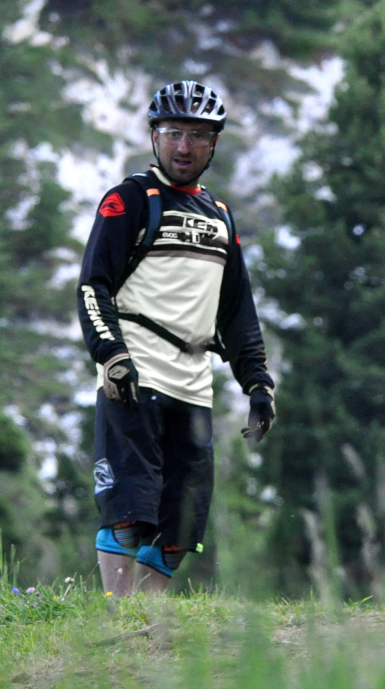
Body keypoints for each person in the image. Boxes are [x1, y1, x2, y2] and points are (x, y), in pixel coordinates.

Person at [76, 81, 277, 596]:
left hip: (193, 380)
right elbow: (93, 285)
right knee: (130, 510)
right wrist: (111, 354)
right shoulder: (128, 199)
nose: (184, 146)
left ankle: (146, 626)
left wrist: (257, 384)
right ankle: (121, 621)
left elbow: (237, 313)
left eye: (197, 135)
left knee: (181, 526)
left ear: (214, 145)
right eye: (172, 133)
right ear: (153, 136)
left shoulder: (220, 216)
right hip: (134, 371)